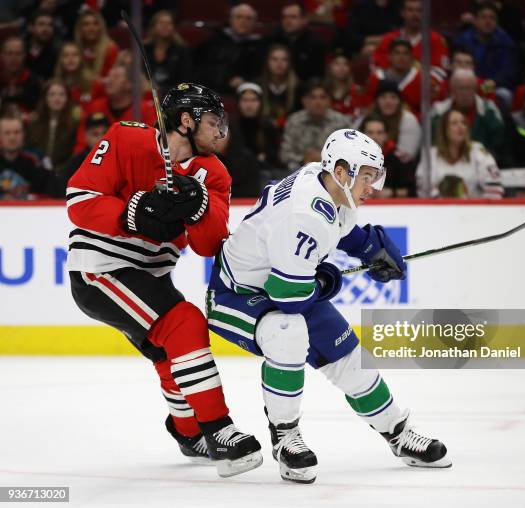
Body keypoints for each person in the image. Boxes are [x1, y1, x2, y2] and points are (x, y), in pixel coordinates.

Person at [206, 128, 451, 483]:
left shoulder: (321, 181)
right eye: (367, 177)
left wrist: (370, 248)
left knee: (349, 358)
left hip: (278, 284)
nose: (372, 187)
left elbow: (340, 228)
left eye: (375, 177)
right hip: (234, 294)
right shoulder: (305, 215)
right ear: (341, 171)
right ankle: (285, 435)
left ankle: (398, 432)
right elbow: (287, 296)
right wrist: (327, 280)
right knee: (286, 332)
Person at [65, 83, 263, 477]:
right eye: (211, 121)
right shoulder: (126, 137)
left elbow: (208, 245)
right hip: (101, 268)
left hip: (150, 274)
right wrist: (133, 213)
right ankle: (218, 429)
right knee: (184, 321)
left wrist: (200, 204)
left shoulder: (214, 174)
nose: (219, 130)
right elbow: (79, 199)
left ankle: (188, 432)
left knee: (167, 352)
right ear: (186, 121)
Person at [417, 109, 503, 198]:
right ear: (444, 130)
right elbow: (423, 187)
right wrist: (442, 203)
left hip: (474, 209)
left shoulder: (477, 151)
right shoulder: (431, 154)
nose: (460, 126)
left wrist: (477, 207)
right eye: (454, 123)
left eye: (463, 123)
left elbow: (494, 184)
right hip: (438, 209)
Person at [73, 63, 157, 153]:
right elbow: (81, 145)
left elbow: (152, 145)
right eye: (108, 76)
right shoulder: (95, 107)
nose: (108, 80)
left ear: (129, 83)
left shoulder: (144, 110)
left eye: (115, 77)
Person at [431, 68, 505, 165]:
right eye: (461, 88)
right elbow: (433, 144)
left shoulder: (489, 112)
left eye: (469, 88)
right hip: (446, 164)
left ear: (475, 89)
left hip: (482, 164)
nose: (465, 93)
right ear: (452, 89)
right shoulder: (439, 113)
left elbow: (498, 146)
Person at [453, 1, 517, 107]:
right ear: (475, 20)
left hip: (493, 86)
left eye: (492, 18)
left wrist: (486, 86)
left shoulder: (505, 42)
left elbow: (507, 73)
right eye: (483, 17)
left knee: (505, 95)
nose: (488, 21)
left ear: (497, 21)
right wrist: (474, 84)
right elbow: (457, 67)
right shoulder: (463, 41)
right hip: (466, 83)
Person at [280, 79, 351, 172]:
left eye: (322, 97)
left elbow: (350, 154)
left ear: (329, 100)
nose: (318, 102)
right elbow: (284, 154)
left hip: (333, 173)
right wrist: (303, 159)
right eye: (313, 97)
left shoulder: (342, 123)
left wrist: (324, 159)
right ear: (304, 101)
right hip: (299, 172)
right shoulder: (294, 121)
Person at [194, 3, 265, 93]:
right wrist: (225, 80)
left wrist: (245, 81)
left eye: (248, 18)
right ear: (231, 20)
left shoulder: (260, 46)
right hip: (210, 89)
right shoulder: (213, 41)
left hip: (243, 93)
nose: (243, 21)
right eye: (239, 17)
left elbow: (260, 75)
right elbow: (199, 68)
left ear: (255, 23)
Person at [373, 0, 449, 82]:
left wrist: (411, 77)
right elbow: (378, 68)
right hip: (392, 89)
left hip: (422, 89)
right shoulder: (388, 39)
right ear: (402, 13)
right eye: (410, 10)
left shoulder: (436, 40)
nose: (415, 14)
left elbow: (440, 72)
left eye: (419, 11)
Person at [0, 114, 61, 199]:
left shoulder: (37, 158)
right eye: (7, 133)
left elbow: (53, 188)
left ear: (23, 134)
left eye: (16, 132)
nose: (12, 137)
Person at [362, 80, 421, 166]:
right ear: (377, 101)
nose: (388, 102)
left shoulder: (408, 120)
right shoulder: (368, 118)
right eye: (383, 97)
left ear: (399, 101)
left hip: (397, 170)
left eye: (393, 97)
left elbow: (406, 157)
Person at [267, 1, 328, 82]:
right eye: (284, 17)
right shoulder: (272, 40)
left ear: (304, 19)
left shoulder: (316, 44)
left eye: (293, 17)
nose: (288, 21)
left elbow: (318, 77)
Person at [27, 79, 80, 170]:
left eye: (61, 94)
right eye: (52, 94)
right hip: (36, 171)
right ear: (45, 98)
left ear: (67, 98)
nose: (57, 98)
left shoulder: (74, 124)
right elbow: (29, 150)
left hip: (62, 174)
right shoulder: (33, 122)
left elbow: (73, 157)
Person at [360, 113, 415, 196]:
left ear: (386, 135)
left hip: (391, 207)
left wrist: (391, 193)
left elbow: (413, 191)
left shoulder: (400, 159)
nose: (375, 137)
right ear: (362, 135)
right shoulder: (350, 159)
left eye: (379, 133)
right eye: (370, 132)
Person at [143, 10, 193, 98]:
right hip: (146, 94)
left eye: (168, 23)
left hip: (174, 96)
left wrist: (163, 91)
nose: (165, 26)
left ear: (173, 27)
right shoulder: (144, 49)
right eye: (161, 23)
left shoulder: (182, 50)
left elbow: (186, 81)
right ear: (153, 27)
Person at [58, 111, 109, 186]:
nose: (101, 138)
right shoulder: (75, 165)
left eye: (105, 133)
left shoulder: (118, 162)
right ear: (86, 136)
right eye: (95, 134)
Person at [259, 44, 302, 129]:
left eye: (284, 60)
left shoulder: (299, 87)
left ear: (289, 63)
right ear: (267, 62)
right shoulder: (258, 85)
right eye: (274, 59)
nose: (279, 63)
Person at [54, 41, 104, 108]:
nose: (70, 59)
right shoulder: (55, 86)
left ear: (81, 59)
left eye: (75, 55)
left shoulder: (94, 83)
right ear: (60, 60)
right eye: (66, 55)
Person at [0, 36, 42, 117]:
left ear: (24, 56)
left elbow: (37, 112)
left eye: (18, 54)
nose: (13, 58)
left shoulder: (34, 82)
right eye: (9, 53)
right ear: (2, 55)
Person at [74, 9, 119, 80]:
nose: (91, 28)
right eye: (86, 24)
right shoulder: (75, 49)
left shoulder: (110, 49)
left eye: (95, 24)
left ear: (101, 27)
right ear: (79, 28)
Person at [324, 49, 365, 119]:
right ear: (330, 67)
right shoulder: (323, 90)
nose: (341, 68)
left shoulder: (357, 91)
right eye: (337, 64)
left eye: (346, 64)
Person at [25, 9, 59, 80]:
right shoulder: (20, 50)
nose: (46, 29)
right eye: (41, 24)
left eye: (50, 25)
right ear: (30, 28)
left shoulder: (58, 52)